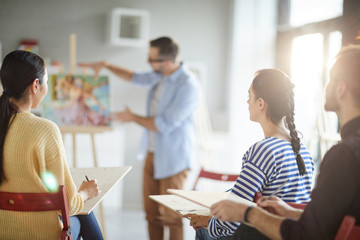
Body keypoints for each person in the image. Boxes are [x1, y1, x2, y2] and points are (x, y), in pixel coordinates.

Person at [210, 45, 360, 240]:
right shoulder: (308, 150)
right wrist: (289, 211)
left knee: (206, 231)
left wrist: (248, 212)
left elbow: (307, 234)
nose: (326, 85)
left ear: (341, 89)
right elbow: (329, 222)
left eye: (330, 79)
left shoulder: (345, 155)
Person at [79, 36, 200, 240]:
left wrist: (132, 117)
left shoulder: (188, 86)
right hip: (152, 153)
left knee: (172, 217)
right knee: (152, 215)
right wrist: (106, 65)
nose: (148, 63)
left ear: (167, 62)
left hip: (174, 159)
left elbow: (163, 124)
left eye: (152, 60)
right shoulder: (159, 74)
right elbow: (133, 76)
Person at [184, 69, 314, 240]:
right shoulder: (303, 151)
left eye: (249, 95)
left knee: (202, 228)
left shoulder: (263, 151)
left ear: (260, 103)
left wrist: (208, 222)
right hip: (289, 234)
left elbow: (231, 218)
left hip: (262, 234)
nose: (247, 101)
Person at [0, 50, 104, 240]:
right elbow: (69, 204)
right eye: (47, 81)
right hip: (39, 234)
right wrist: (85, 192)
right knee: (84, 212)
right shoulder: (45, 129)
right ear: (36, 85)